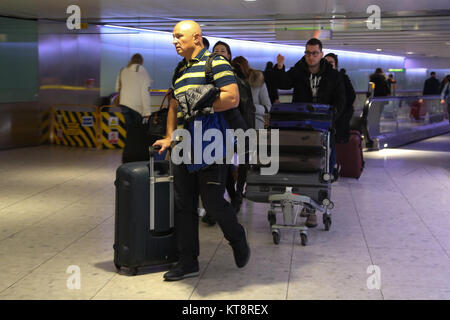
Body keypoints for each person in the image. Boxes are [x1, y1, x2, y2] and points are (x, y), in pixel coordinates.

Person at [153, 20, 250, 281]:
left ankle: (237, 238)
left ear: (196, 38)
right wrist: (168, 137)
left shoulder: (216, 63)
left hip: (211, 144)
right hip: (184, 145)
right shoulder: (180, 70)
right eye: (173, 37)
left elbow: (232, 98)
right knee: (183, 205)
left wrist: (198, 105)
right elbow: (173, 105)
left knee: (213, 202)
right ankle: (188, 262)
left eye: (179, 36)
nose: (174, 41)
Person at [273, 38, 345, 228]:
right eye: (307, 53)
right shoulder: (299, 70)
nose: (310, 57)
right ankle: (306, 204)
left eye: (314, 53)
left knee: (321, 169)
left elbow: (341, 101)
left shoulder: (333, 75)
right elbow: (284, 83)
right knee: (304, 166)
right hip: (302, 128)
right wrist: (280, 66)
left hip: (323, 127)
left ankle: (314, 209)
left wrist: (330, 118)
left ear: (321, 54)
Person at [115, 53, 153, 163]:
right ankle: (136, 157)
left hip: (124, 105)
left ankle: (127, 157)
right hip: (137, 108)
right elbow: (144, 92)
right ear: (141, 61)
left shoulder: (123, 70)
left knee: (129, 132)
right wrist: (147, 111)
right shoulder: (142, 70)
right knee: (137, 134)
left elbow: (117, 87)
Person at [324, 53, 356, 145]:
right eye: (326, 62)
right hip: (327, 115)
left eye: (331, 62)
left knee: (335, 142)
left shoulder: (342, 77)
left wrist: (341, 107)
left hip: (339, 115)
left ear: (335, 64)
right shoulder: (320, 78)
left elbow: (351, 95)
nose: (328, 65)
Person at [233, 56, 272, 130]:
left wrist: (251, 107)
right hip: (237, 126)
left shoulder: (258, 81)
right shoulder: (232, 84)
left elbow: (267, 107)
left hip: (257, 125)